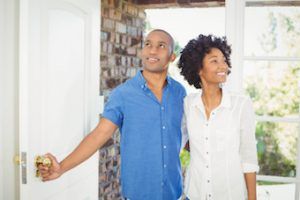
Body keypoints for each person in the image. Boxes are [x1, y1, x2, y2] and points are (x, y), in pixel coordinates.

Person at [38, 29, 186, 200]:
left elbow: (188, 134)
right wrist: (62, 167)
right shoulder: (123, 94)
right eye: (148, 44)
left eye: (161, 46)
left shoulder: (179, 93)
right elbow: (99, 135)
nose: (152, 50)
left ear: (172, 56)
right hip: (138, 195)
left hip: (174, 193)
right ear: (142, 51)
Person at [178, 34, 259, 200]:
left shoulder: (241, 104)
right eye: (214, 61)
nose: (223, 66)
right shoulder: (188, 104)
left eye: (224, 60)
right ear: (198, 68)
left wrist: (252, 197)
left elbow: (248, 155)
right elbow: (181, 140)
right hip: (194, 194)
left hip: (230, 194)